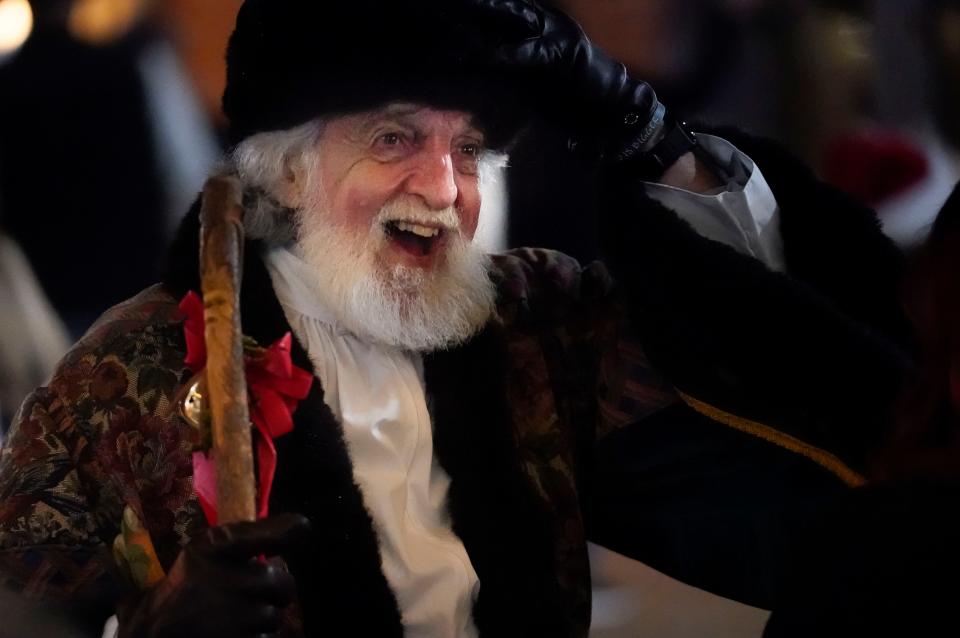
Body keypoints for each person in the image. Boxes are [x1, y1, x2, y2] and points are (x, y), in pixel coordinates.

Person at [0, 1, 911, 636]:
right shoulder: (121, 378)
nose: (442, 189)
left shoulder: (535, 321)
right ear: (285, 172)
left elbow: (787, 365)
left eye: (468, 150)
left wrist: (651, 139)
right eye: (396, 138)